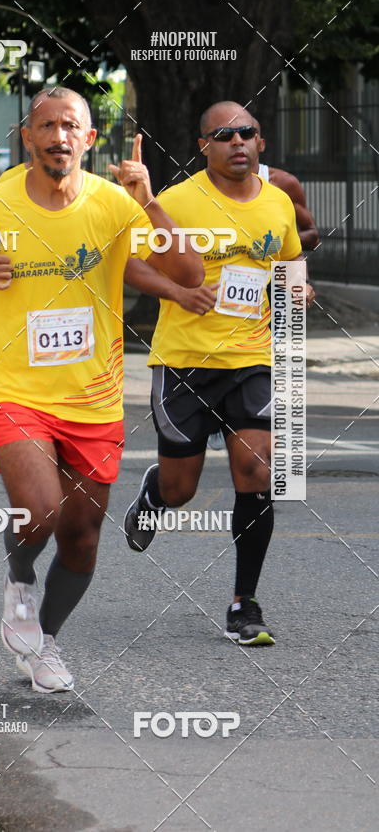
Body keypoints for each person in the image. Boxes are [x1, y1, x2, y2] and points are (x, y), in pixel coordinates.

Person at [0, 86, 203, 692]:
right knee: (42, 508)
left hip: (94, 397)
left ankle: (44, 644)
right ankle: (19, 581)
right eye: (46, 125)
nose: (57, 136)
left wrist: (150, 204)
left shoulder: (112, 204)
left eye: (69, 125)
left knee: (81, 538)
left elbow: (189, 273)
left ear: (88, 138)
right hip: (13, 391)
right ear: (27, 137)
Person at [123, 101, 314, 646]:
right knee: (182, 489)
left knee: (256, 472)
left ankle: (243, 602)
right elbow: (132, 262)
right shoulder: (176, 200)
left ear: (261, 143)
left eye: (247, 133)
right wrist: (180, 290)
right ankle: (154, 497)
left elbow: (289, 263)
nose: (238, 142)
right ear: (203, 146)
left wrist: (296, 286)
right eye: (224, 135)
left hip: (252, 359)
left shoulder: (278, 203)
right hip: (184, 362)